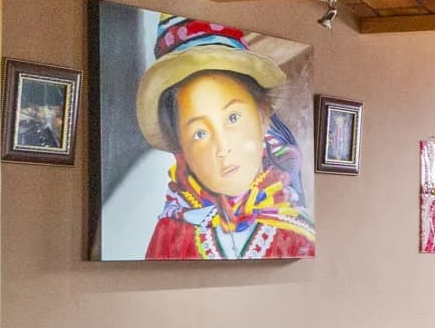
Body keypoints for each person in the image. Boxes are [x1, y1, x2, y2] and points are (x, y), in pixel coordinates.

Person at [133, 16, 315, 260]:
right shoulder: (170, 233)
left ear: (263, 117)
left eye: (232, 119)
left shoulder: (297, 233)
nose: (223, 147)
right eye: (200, 133)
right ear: (181, 148)